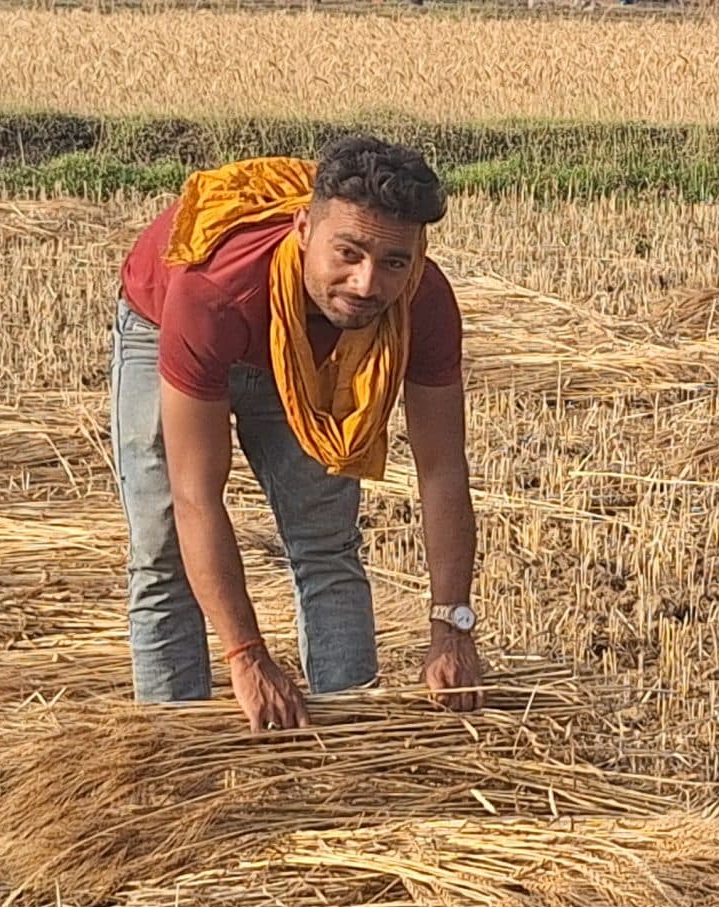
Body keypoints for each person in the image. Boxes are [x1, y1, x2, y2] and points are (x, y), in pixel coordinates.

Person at [110, 135, 482, 730]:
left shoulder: (421, 302)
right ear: (303, 228)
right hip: (165, 324)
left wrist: (451, 626)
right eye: (348, 253)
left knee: (325, 543)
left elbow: (443, 469)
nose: (366, 285)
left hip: (321, 346)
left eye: (393, 262)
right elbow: (195, 496)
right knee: (163, 551)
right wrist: (247, 656)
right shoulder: (212, 293)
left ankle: (347, 747)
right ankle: (175, 746)